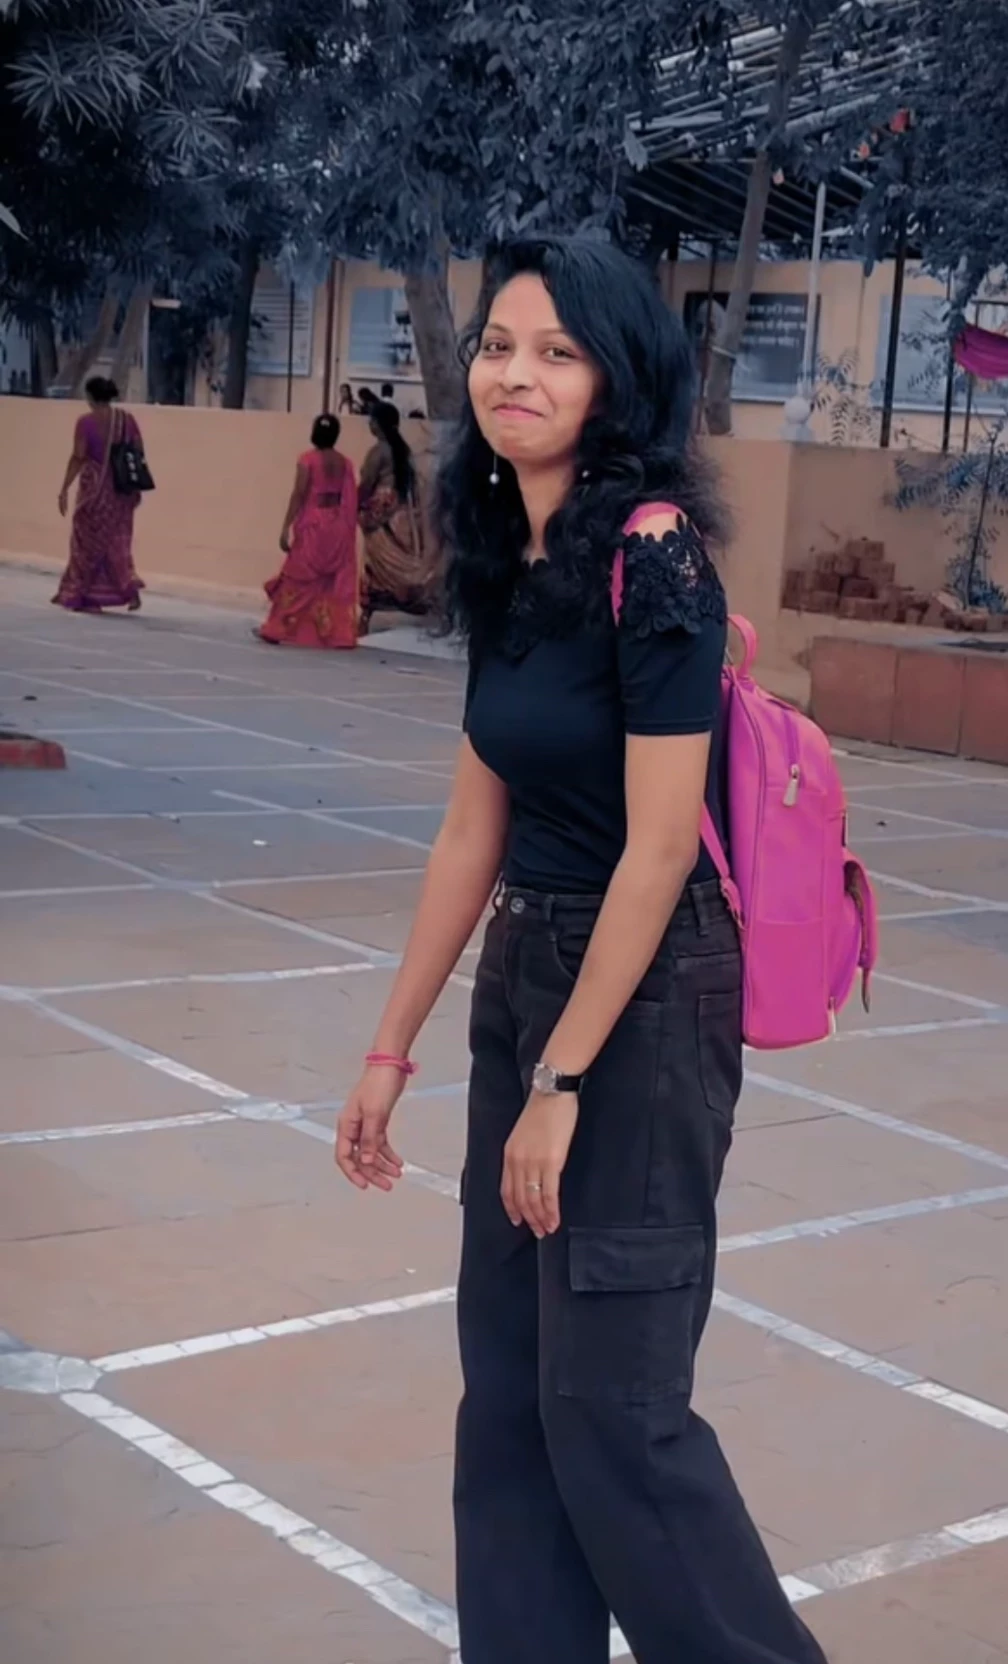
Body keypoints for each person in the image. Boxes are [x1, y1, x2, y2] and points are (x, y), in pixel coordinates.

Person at [334, 236, 826, 1664]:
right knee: (509, 1396)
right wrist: (388, 1050)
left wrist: (560, 1083)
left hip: (647, 996)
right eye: (499, 345)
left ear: (619, 380)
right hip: (528, 968)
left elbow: (660, 849)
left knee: (613, 1409)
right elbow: (469, 831)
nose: (517, 374)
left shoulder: (655, 553)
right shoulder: (508, 554)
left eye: (557, 351)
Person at [256, 413, 358, 648]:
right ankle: (332, 632)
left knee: (297, 577)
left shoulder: (307, 460)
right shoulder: (345, 463)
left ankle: (277, 627)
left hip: (313, 524)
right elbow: (349, 497)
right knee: (327, 582)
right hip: (336, 525)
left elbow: (299, 494)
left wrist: (286, 526)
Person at [52, 375, 146, 613]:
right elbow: (138, 451)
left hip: (94, 493)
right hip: (121, 492)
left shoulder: (85, 422)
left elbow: (78, 456)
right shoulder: (127, 420)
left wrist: (64, 488)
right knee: (118, 543)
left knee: (86, 543)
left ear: (90, 397)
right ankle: (128, 589)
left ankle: (88, 596)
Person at [357, 400, 437, 633]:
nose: (370, 424)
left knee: (376, 563)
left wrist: (352, 504)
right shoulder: (403, 450)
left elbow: (366, 484)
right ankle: (416, 598)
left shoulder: (378, 452)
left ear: (379, 424)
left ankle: (368, 613)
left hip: (380, 515)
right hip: (401, 515)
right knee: (402, 560)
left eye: (372, 420)